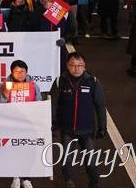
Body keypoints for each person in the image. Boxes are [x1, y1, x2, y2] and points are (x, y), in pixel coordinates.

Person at [50, 53, 106, 188]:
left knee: (90, 160)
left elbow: (100, 105)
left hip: (86, 129)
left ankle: (94, 183)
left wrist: (103, 126)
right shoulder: (60, 81)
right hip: (66, 129)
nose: (76, 68)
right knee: (67, 159)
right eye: (73, 65)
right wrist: (52, 122)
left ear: (84, 66)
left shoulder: (92, 81)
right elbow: (53, 104)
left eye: (80, 65)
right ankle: (69, 182)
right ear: (67, 66)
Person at [0, 59, 42, 188]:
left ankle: (26, 178)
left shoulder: (33, 85)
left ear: (27, 72)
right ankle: (15, 176)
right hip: (10, 123)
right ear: (11, 72)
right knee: (13, 150)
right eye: (16, 71)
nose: (19, 74)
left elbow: (39, 105)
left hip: (28, 124)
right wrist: (4, 95)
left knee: (27, 151)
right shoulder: (3, 85)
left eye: (22, 71)